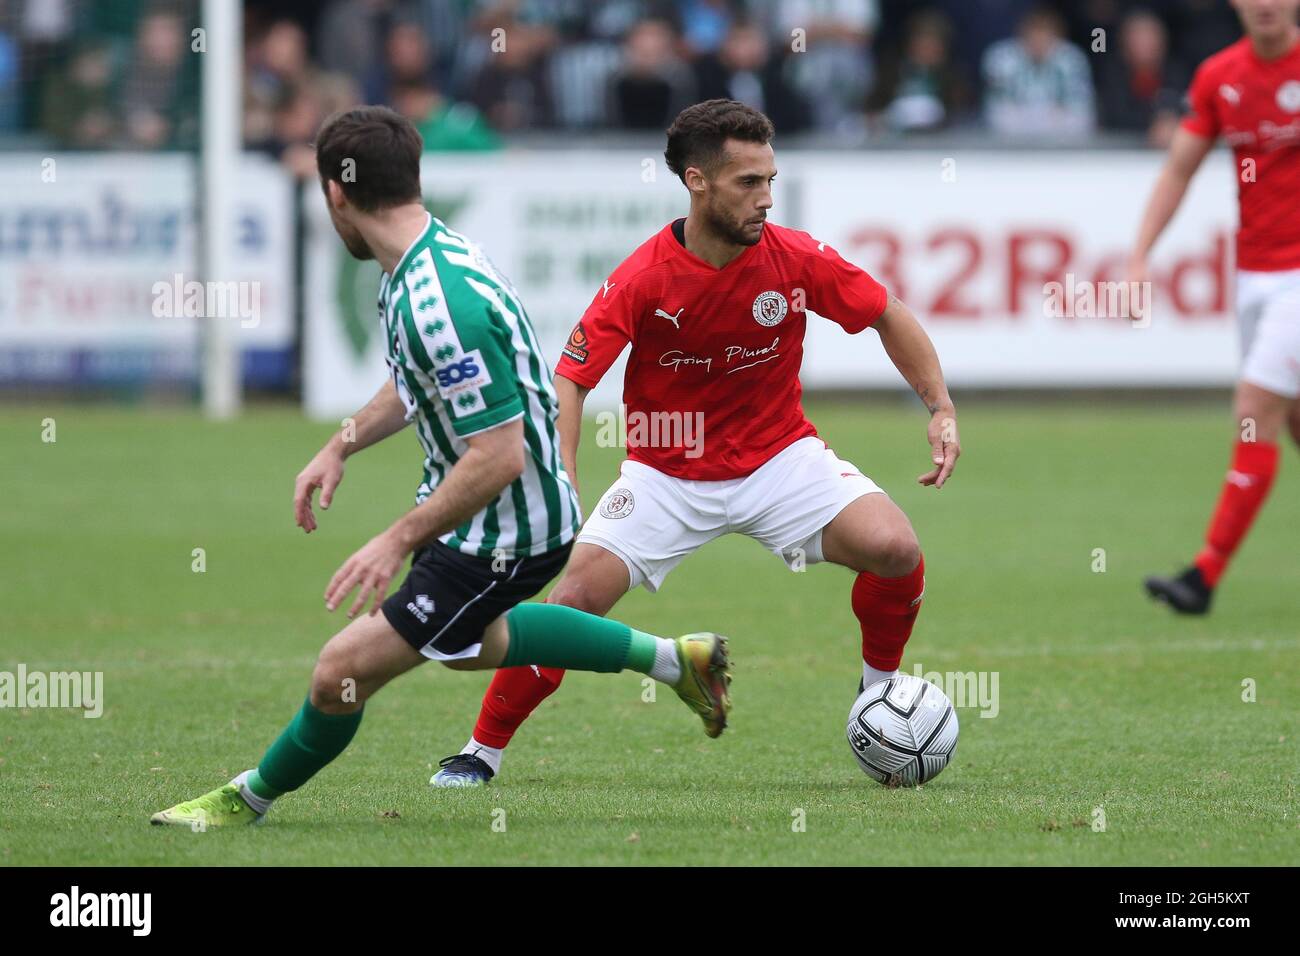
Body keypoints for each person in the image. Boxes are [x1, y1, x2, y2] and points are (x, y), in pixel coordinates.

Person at [150, 106, 731, 827]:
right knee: (467, 644)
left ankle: (248, 800)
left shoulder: (439, 300)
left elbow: (498, 454)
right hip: (501, 510)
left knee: (341, 675)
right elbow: (410, 383)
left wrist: (393, 539)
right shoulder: (420, 264)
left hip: (506, 531)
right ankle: (680, 661)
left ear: (336, 194)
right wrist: (342, 443)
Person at [432, 98, 960, 787]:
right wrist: (563, 474)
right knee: (571, 604)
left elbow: (887, 313)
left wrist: (939, 405)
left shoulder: (794, 258)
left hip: (779, 458)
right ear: (696, 181)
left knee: (896, 548)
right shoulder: (643, 277)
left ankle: (877, 696)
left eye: (770, 180)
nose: (766, 198)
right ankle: (481, 751)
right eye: (749, 183)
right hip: (665, 474)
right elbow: (571, 379)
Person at [1134, 0, 1300, 615]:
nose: (1265, 4)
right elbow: (1179, 169)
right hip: (1255, 277)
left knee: (1255, 410)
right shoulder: (1218, 76)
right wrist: (1138, 255)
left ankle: (1202, 576)